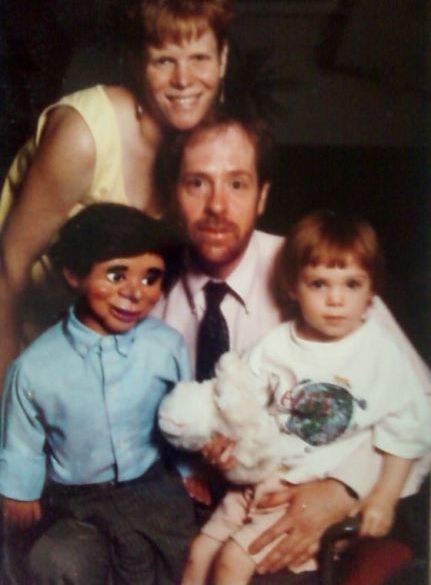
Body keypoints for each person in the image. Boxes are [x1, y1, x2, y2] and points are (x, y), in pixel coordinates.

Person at [153, 113, 431, 581]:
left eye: (237, 184)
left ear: (262, 195)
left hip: (303, 506)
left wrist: (344, 487)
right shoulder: (146, 292)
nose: (217, 205)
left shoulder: (324, 270)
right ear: (172, 195)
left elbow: (420, 407)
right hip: (206, 503)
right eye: (197, 183)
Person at [0, 0, 233, 389]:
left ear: (222, 60)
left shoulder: (206, 143)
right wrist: (6, 394)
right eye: (164, 60)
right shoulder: (83, 136)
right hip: (26, 344)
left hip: (104, 358)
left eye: (199, 58)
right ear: (138, 63)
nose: (184, 79)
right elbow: (9, 266)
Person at [0, 203, 196, 584]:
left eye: (150, 277)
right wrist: (20, 491)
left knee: (175, 557)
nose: (134, 292)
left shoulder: (166, 346)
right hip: (76, 498)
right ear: (74, 273)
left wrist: (190, 469)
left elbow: (184, 415)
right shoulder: (35, 367)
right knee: (58, 561)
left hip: (152, 484)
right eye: (116, 274)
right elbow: (21, 441)